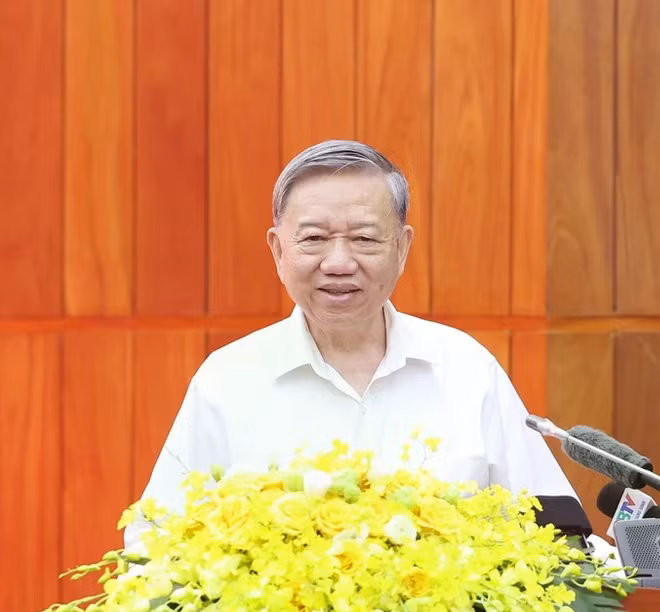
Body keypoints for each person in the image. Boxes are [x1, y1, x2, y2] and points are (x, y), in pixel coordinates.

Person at [125, 140, 576, 547]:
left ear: (402, 248)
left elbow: (557, 537)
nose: (339, 262)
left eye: (364, 238)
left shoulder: (466, 368)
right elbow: (155, 546)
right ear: (279, 251)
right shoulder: (228, 379)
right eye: (314, 239)